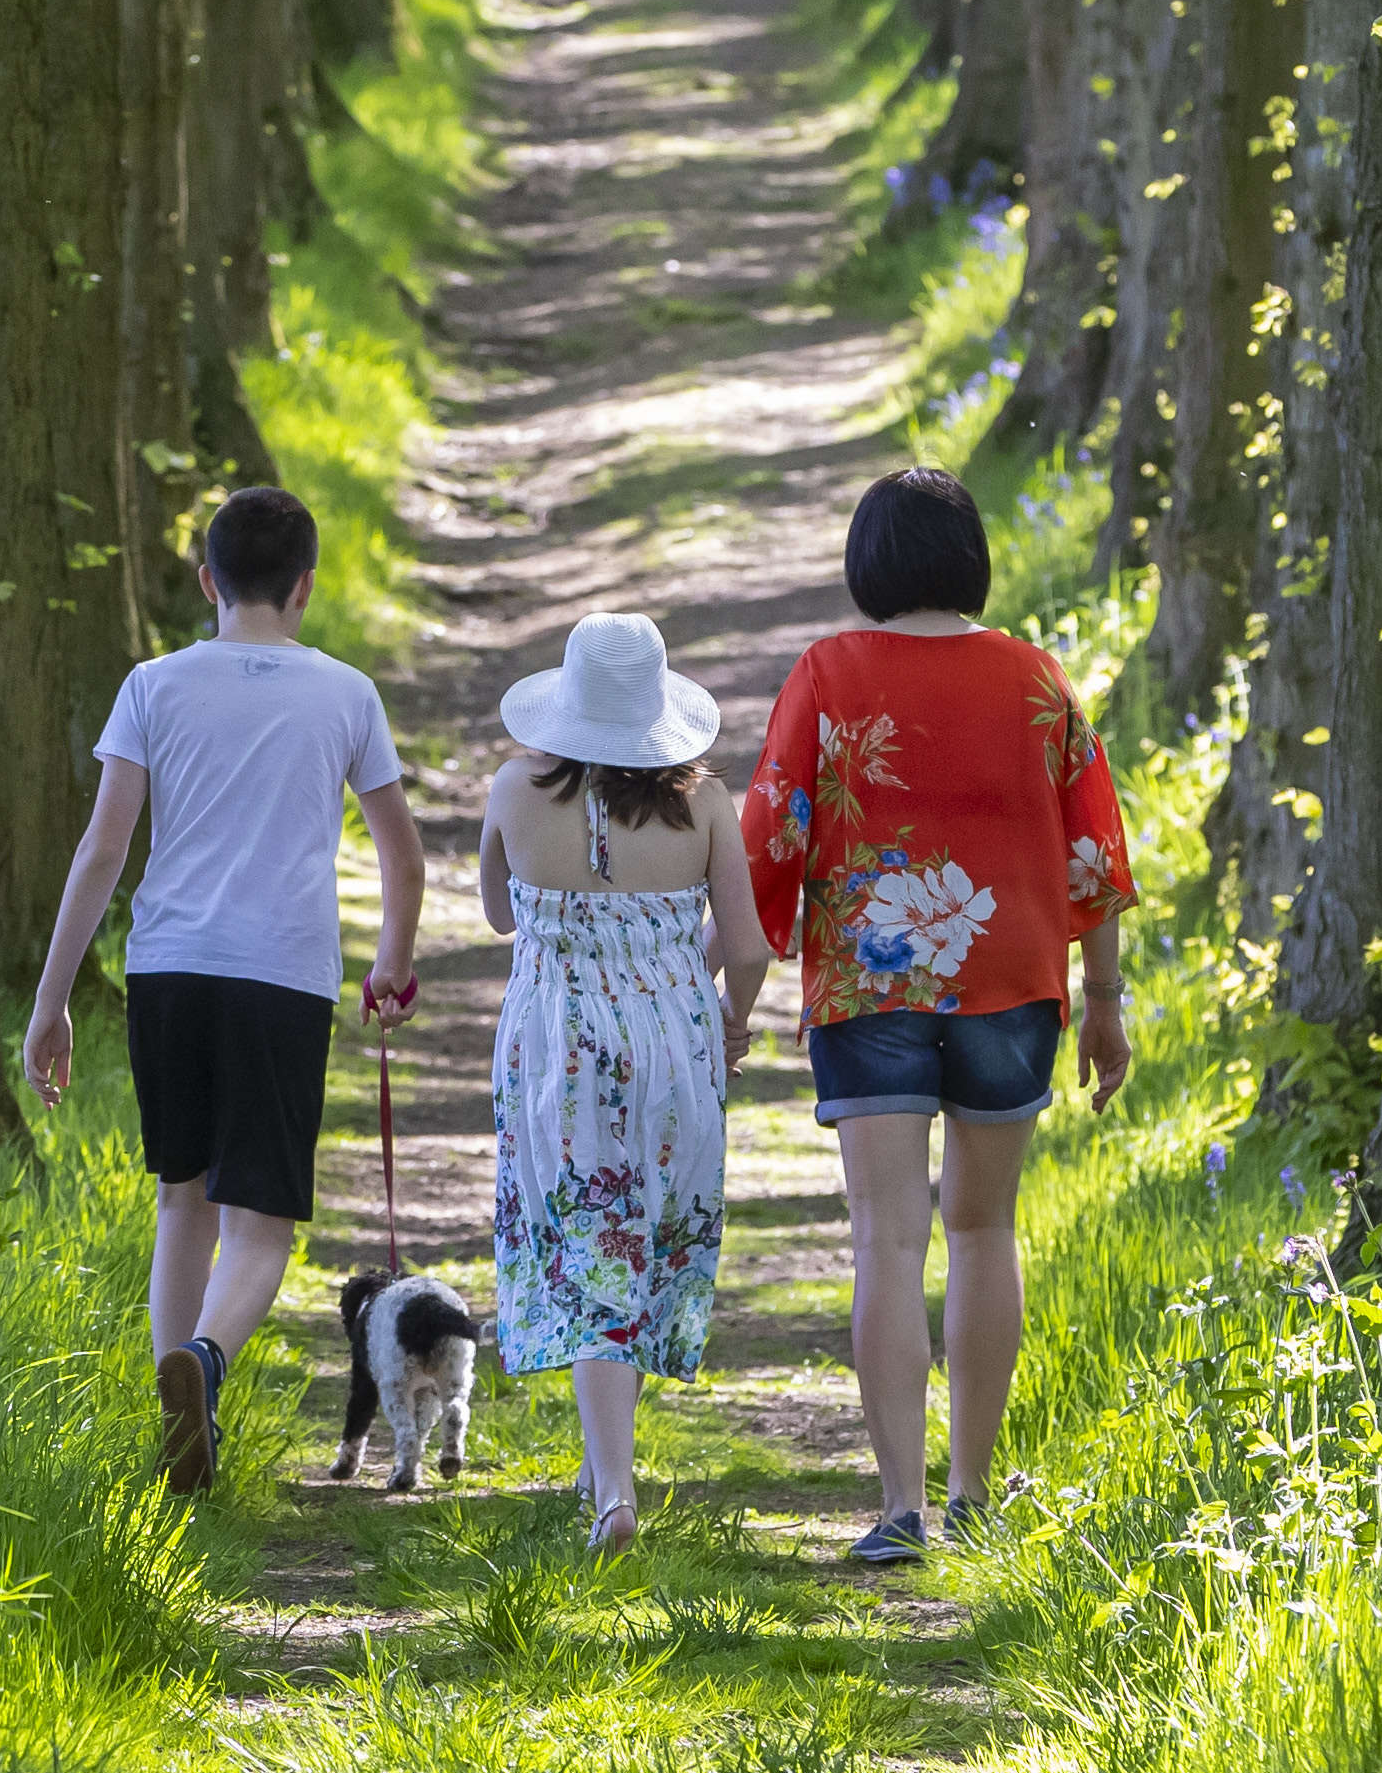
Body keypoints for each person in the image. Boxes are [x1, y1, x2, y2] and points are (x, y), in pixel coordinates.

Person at [742, 467, 1134, 1568]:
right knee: (983, 1230)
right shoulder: (1036, 680)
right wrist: (1105, 1003)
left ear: (870, 566)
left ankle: (900, 1508)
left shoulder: (827, 672)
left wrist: (740, 989)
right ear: (972, 561)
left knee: (886, 1235)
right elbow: (1095, 856)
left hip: (870, 984)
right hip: (1011, 976)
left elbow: (774, 835)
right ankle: (973, 1496)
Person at [21, 486, 422, 1497]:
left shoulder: (153, 685)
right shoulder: (345, 694)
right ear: (305, 587)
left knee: (182, 1200)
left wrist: (51, 999)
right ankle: (200, 1363)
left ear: (207, 581)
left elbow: (105, 846)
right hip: (279, 972)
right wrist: (391, 963)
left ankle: (177, 1434)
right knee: (262, 1227)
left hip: (168, 966)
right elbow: (401, 855)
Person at [481, 610, 772, 1554]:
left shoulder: (516, 790)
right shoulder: (707, 807)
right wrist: (726, 1022)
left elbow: (495, 914)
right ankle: (607, 1467)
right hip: (671, 1044)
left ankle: (612, 1486)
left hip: (556, 1045)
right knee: (638, 1239)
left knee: (588, 1246)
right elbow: (756, 946)